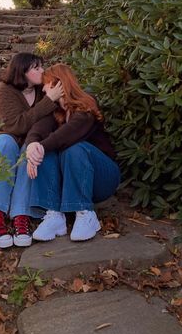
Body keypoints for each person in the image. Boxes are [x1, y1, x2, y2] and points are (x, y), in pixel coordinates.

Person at [0, 53, 63, 248]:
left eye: (41, 66)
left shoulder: (42, 91)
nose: (42, 71)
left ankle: (20, 215)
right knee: (7, 142)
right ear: (22, 72)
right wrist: (48, 101)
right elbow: (15, 125)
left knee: (28, 150)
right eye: (36, 68)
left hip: (22, 151)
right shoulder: (4, 91)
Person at [24, 63, 120, 242]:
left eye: (46, 83)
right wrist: (32, 146)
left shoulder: (86, 105)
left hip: (103, 177)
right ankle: (54, 215)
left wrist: (41, 146)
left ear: (57, 84)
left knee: (72, 148)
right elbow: (36, 131)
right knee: (42, 149)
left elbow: (68, 134)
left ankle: (86, 213)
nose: (43, 89)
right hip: (73, 181)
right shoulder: (56, 112)